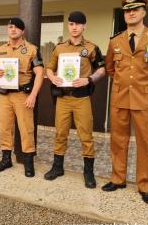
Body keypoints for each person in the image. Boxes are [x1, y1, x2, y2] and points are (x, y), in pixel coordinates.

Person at [103, 0, 148, 205]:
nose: (131, 13)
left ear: (143, 12)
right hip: (120, 98)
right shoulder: (115, 41)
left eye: (135, 9)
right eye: (127, 10)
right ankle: (118, 179)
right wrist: (124, 84)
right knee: (118, 141)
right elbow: (109, 68)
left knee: (146, 144)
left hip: (145, 100)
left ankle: (145, 186)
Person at [45, 11, 105, 188]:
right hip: (63, 98)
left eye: (78, 24)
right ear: (68, 26)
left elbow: (102, 69)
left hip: (81, 98)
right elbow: (49, 68)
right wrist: (52, 77)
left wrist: (89, 79)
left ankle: (88, 172)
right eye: (71, 24)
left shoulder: (92, 48)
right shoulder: (59, 47)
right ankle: (57, 167)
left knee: (86, 135)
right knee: (60, 133)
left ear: (84, 26)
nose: (74, 27)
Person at [0, 17, 44, 177]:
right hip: (5, 95)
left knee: (26, 129)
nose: (13, 29)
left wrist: (33, 95)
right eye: (10, 27)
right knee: (4, 128)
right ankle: (6, 159)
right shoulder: (0, 50)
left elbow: (40, 73)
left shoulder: (32, 49)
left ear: (22, 31)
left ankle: (28, 162)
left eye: (16, 27)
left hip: (22, 95)